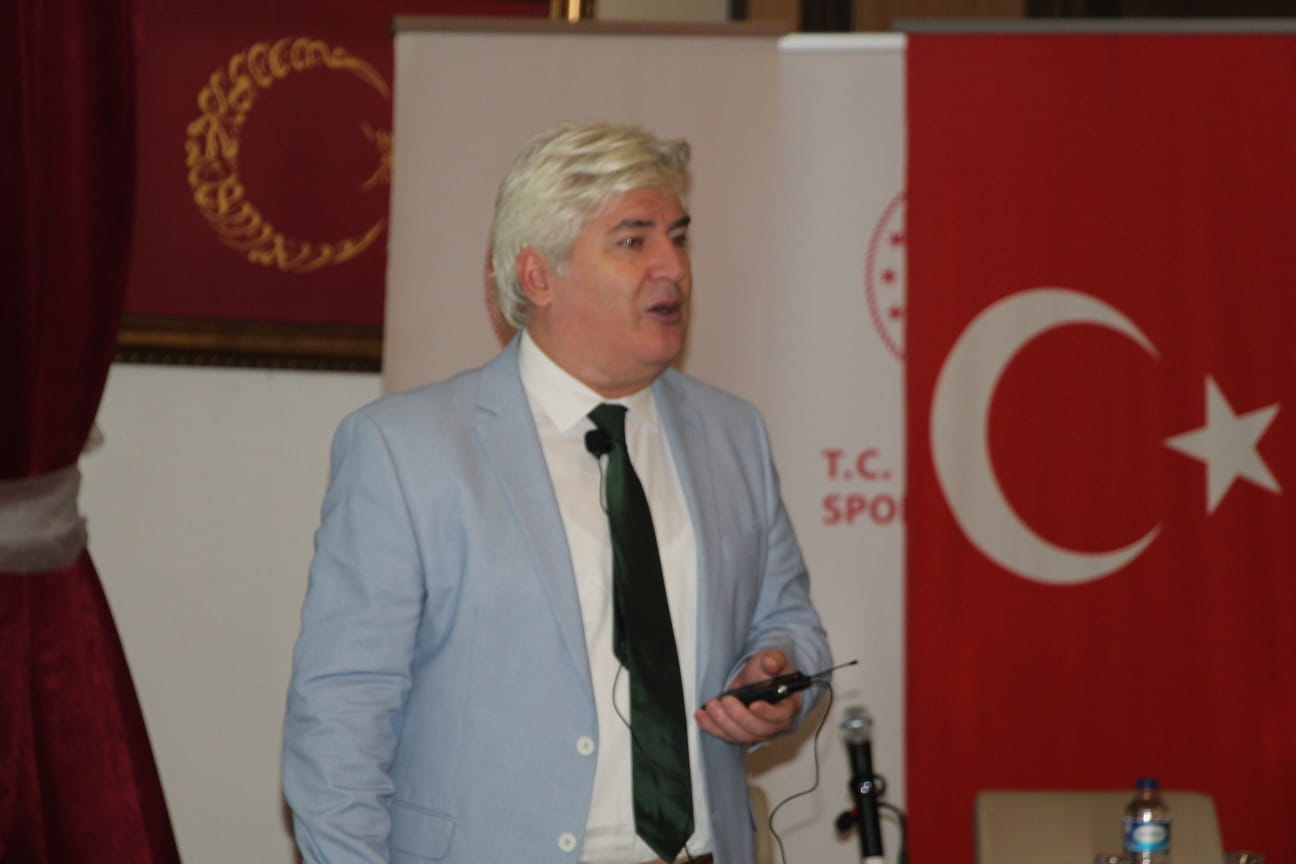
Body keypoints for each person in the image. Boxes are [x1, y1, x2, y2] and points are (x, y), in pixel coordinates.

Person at [282, 122, 831, 864]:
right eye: (633, 241)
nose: (673, 267)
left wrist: (778, 677)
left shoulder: (733, 435)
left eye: (678, 238)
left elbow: (790, 621)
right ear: (538, 277)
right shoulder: (405, 451)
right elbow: (340, 720)